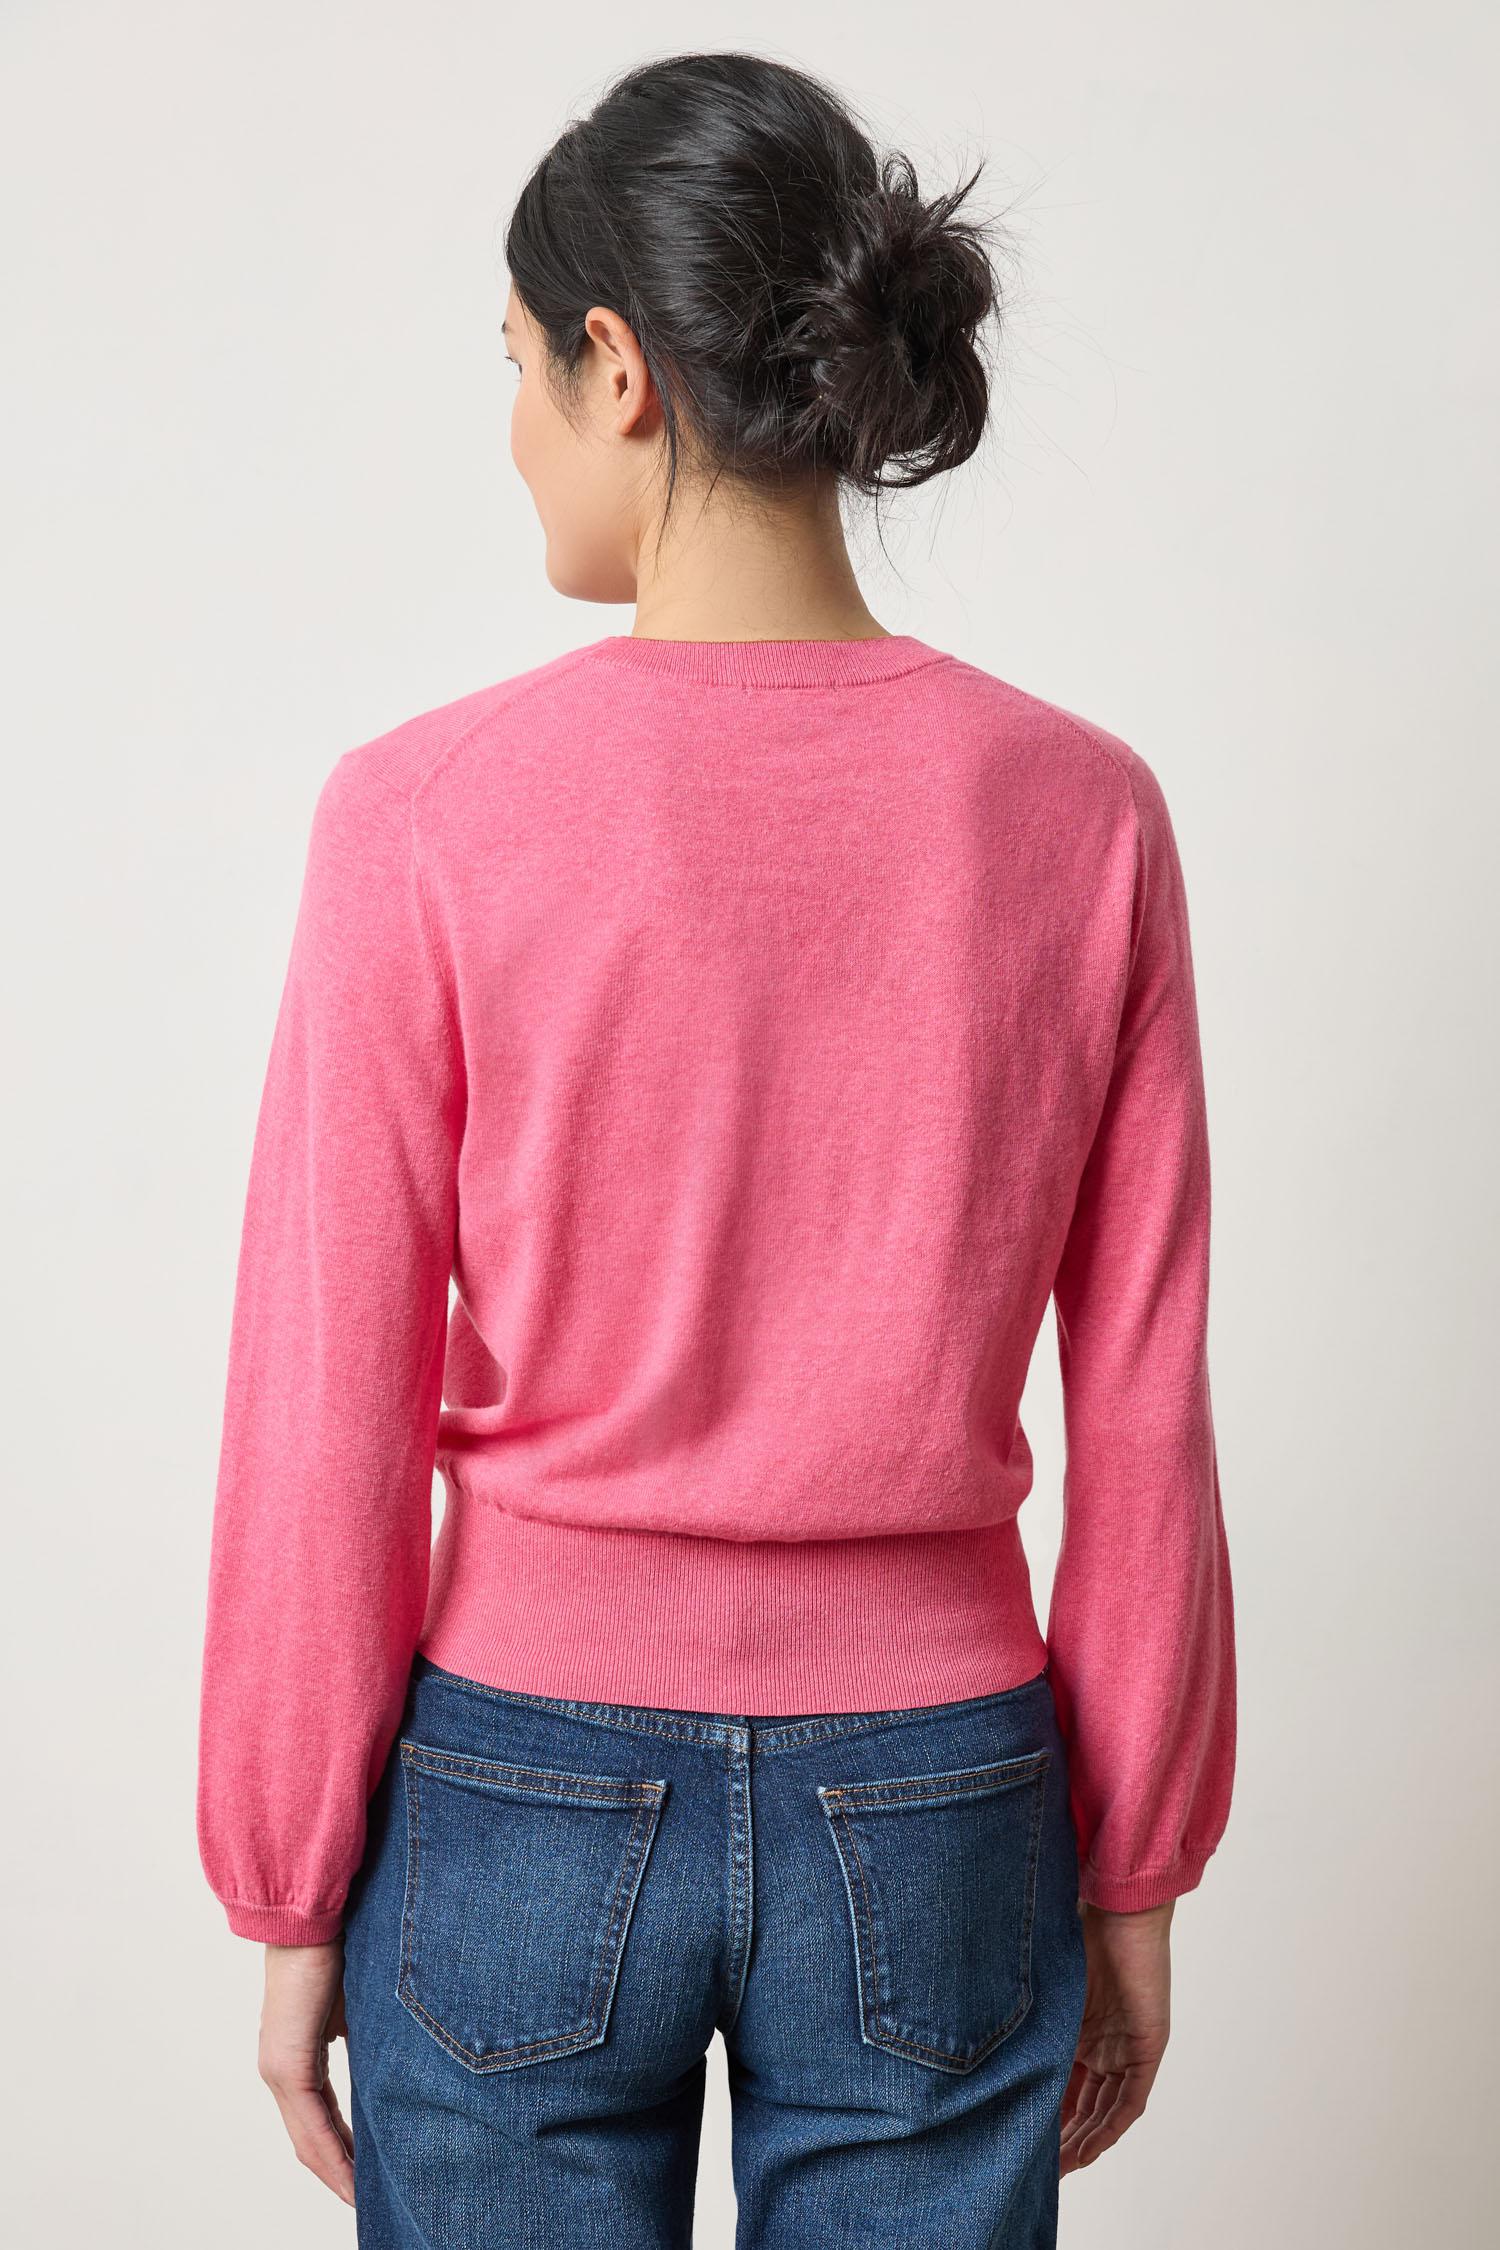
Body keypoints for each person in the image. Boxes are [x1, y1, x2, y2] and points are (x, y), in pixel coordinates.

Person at [197, 48, 1235, 2249]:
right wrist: (1137, 1864)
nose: (511, 431)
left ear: (618, 366)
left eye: (514, 367)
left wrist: (289, 1885)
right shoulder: (1084, 815)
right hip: (944, 1791)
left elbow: (325, 1397)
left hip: (520, 1781)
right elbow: (1146, 1398)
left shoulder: (421, 816)